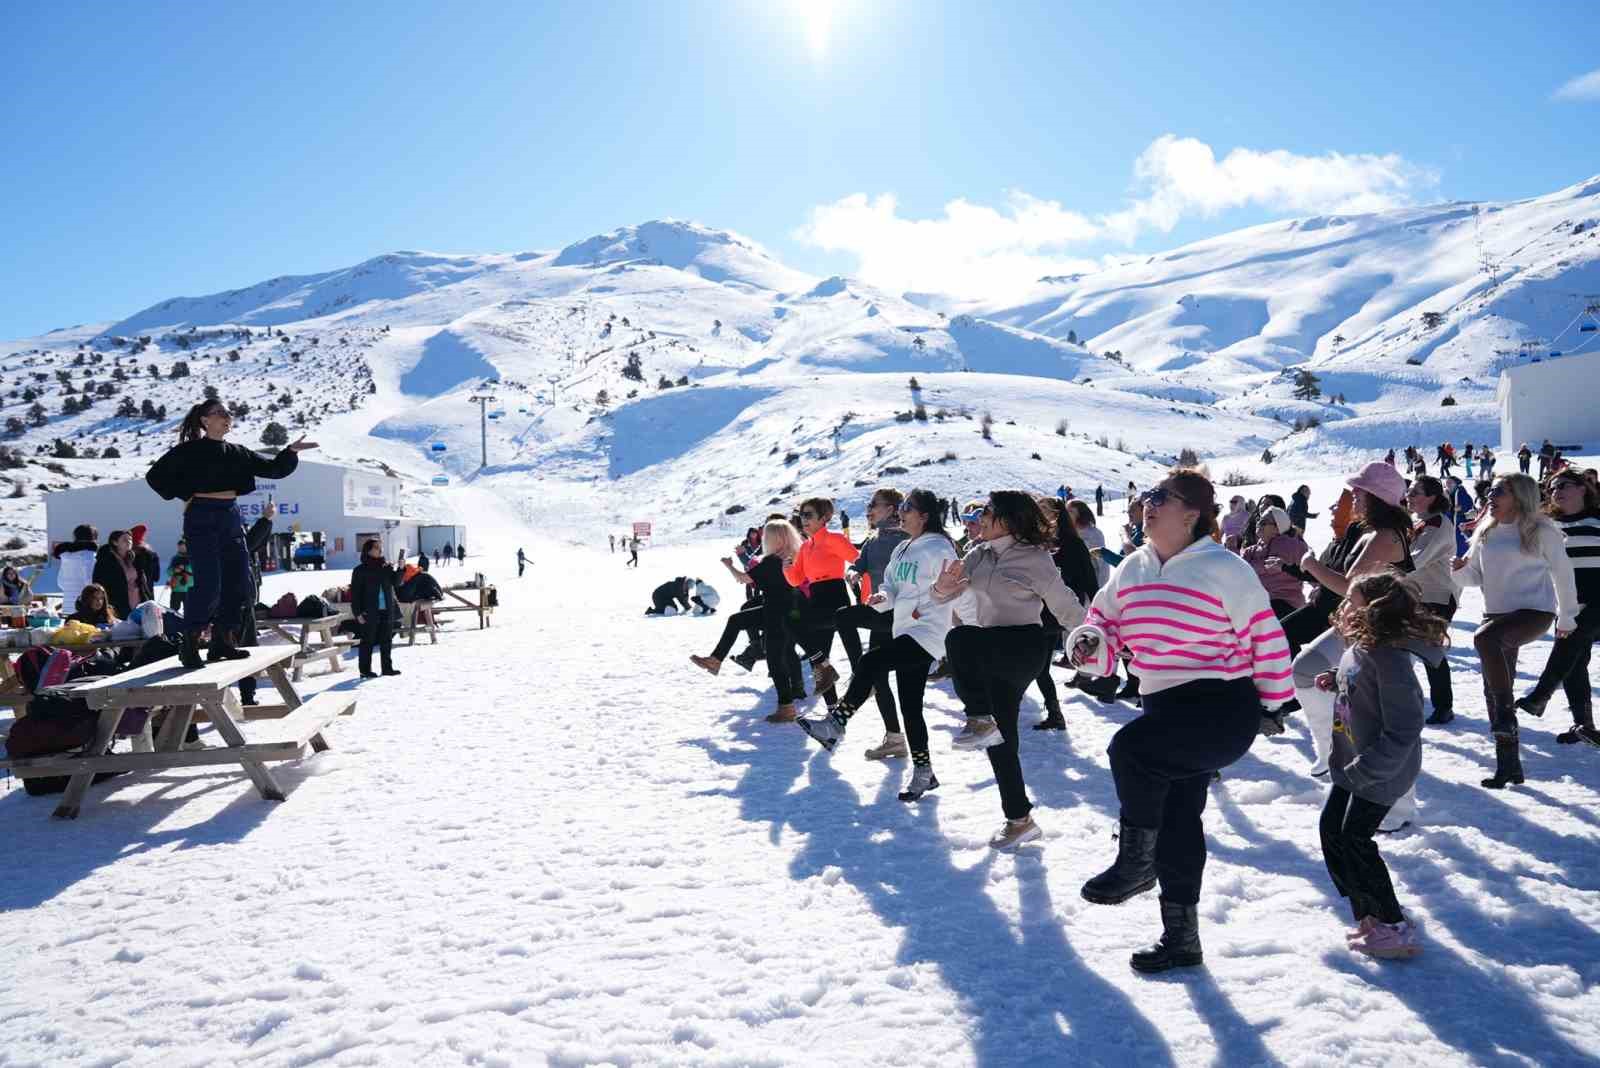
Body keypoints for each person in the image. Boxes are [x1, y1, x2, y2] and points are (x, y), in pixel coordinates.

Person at [1069, 469, 1291, 973]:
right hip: (1163, 706)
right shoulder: (1132, 568)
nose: (1147, 504)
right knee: (1178, 819)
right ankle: (1182, 940)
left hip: (1221, 706)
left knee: (1130, 751)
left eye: (1160, 498)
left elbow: (1265, 636)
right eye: (1147, 496)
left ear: (1192, 514)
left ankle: (1136, 865)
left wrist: (1274, 703)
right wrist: (1089, 646)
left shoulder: (1224, 567)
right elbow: (1102, 626)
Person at [931, 491, 1083, 850]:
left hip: (1022, 645)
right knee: (1001, 740)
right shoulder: (976, 555)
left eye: (987, 512)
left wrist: (1091, 640)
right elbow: (941, 598)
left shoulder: (1036, 558)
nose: (979, 518)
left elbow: (1066, 606)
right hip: (989, 649)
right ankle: (1020, 820)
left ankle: (978, 718)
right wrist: (942, 587)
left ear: (1010, 519)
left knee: (960, 640)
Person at [798, 489, 962, 800]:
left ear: (925, 515)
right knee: (911, 708)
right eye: (901, 506)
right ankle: (925, 773)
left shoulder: (940, 547)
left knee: (871, 662)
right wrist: (882, 598)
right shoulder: (902, 548)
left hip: (928, 632)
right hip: (905, 631)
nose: (902, 511)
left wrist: (930, 604)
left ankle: (836, 722)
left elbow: (952, 588)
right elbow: (892, 587)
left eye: (908, 507)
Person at [1319, 570, 1446, 961]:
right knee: (1332, 832)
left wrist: (1370, 767)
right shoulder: (1360, 648)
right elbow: (1356, 682)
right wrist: (1334, 680)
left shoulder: (1390, 659)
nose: (1344, 607)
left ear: (1373, 610)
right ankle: (1368, 914)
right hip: (1352, 761)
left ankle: (1394, 924)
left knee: (1355, 840)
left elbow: (1406, 726)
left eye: (1351, 600)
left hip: (1380, 769)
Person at [145, 398, 315, 668]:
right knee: (209, 581)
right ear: (205, 420)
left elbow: (273, 469)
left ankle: (222, 642)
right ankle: (189, 643)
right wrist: (186, 493)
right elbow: (155, 478)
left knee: (239, 580)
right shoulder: (188, 451)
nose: (227, 417)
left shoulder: (237, 451)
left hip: (230, 514)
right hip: (201, 515)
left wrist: (291, 450)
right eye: (219, 413)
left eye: (228, 413)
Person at [1276, 462, 1413, 789]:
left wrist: (1309, 564)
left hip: (1378, 635)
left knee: (1372, 712)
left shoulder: (1384, 537)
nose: (1354, 496)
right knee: (1304, 669)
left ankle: (1386, 793)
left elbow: (1350, 585)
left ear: (1376, 496)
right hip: (1355, 627)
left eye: (1359, 491)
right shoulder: (1373, 533)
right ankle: (1330, 751)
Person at [1452, 473, 1579, 789]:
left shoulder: (1542, 530)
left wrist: (1567, 618)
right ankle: (1509, 767)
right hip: (1495, 615)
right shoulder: (1486, 532)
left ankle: (1507, 716)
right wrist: (1456, 570)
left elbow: (1564, 575)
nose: (1490, 497)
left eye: (1498, 491)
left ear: (1519, 496)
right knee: (1493, 692)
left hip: (1534, 613)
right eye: (1490, 491)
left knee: (1484, 640)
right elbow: (1472, 578)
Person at [1513, 470, 1600, 746]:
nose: (1556, 491)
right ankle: (1584, 725)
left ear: (1583, 489)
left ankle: (1541, 694)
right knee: (1575, 662)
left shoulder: (1598, 519)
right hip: (1568, 603)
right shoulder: (1548, 526)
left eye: (1564, 485)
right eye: (1551, 488)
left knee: (1573, 639)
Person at [692, 522, 805, 722]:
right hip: (788, 611)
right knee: (737, 621)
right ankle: (715, 660)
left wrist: (728, 566)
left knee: (775, 659)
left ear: (776, 538)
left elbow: (744, 578)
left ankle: (786, 707)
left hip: (775, 614)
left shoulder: (772, 560)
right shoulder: (794, 555)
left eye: (767, 537)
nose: (764, 540)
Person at [833, 489, 910, 757]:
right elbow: (859, 564)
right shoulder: (873, 539)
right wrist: (853, 573)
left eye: (873, 505)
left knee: (843, 616)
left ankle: (858, 672)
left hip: (901, 615)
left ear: (891, 508)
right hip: (880, 611)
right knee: (879, 677)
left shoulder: (908, 539)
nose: (868, 510)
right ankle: (895, 738)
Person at [783, 498, 860, 706]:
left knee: (791, 622)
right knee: (819, 659)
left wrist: (860, 581)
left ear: (824, 517)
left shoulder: (834, 539)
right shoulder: (805, 547)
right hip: (816, 600)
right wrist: (787, 567)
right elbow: (796, 580)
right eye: (802, 515)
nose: (803, 519)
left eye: (808, 515)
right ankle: (832, 709)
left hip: (835, 599)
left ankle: (854, 679)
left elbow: (859, 560)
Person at [1032, 496, 1098, 730]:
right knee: (1038, 666)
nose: (1039, 515)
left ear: (1056, 514)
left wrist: (1098, 615)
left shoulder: (1073, 544)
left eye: (1044, 511)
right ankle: (1053, 711)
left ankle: (1054, 712)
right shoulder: (1038, 543)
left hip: (1056, 612)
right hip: (1037, 611)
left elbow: (1090, 581)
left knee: (1039, 667)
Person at [1402, 476, 1461, 724]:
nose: (1410, 496)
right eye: (1410, 492)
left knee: (1429, 649)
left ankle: (1443, 706)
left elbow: (1414, 560)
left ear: (1432, 498)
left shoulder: (1436, 524)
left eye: (1416, 493)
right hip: (1418, 594)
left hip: (1436, 596)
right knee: (1413, 648)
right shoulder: (1420, 521)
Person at [1241, 506, 1309, 619]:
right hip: (1259, 602)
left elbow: (1269, 566)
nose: (1259, 523)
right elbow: (1239, 572)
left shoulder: (1289, 544)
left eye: (1264, 522)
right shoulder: (1251, 550)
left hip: (1284, 603)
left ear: (1278, 528)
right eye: (1259, 520)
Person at [351, 539, 401, 679]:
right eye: (376, 548)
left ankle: (387, 668)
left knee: (386, 640)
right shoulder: (360, 570)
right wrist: (357, 613)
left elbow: (397, 582)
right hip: (369, 611)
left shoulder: (385, 567)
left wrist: (401, 569)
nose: (380, 550)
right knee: (368, 641)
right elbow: (355, 594)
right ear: (368, 551)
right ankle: (365, 670)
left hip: (387, 609)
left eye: (380, 547)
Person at [92, 530, 153, 621]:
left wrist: (149, 599)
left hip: (138, 602)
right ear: (115, 542)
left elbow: (142, 583)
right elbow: (99, 584)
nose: (129, 542)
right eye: (124, 539)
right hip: (117, 603)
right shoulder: (106, 561)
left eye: (130, 539)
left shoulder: (134, 559)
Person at [51, 524, 99, 615]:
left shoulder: (66, 557)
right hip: (85, 604)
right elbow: (90, 582)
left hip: (67, 603)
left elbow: (60, 582)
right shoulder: (89, 556)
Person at [128, 524, 160, 593]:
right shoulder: (153, 555)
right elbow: (156, 577)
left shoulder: (127, 555)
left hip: (131, 594)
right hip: (148, 593)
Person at [167, 539, 193, 612]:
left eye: (183, 547)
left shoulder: (192, 558)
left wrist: (185, 568)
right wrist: (174, 570)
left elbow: (195, 570)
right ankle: (174, 622)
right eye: (179, 547)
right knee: (173, 610)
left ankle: (188, 622)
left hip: (189, 589)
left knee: (189, 610)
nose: (181, 549)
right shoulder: (175, 559)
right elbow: (168, 572)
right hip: (176, 589)